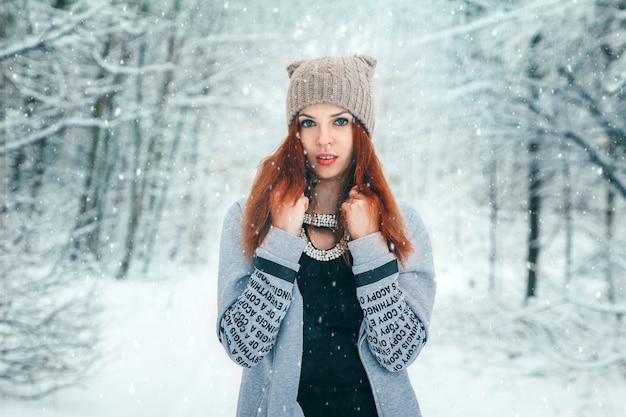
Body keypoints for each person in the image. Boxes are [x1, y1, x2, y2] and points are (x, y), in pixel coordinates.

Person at [216, 55, 436, 417]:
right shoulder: (249, 219)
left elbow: (399, 352)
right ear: (295, 131)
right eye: (309, 122)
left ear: (360, 130)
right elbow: (243, 347)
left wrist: (369, 248)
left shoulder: (401, 224)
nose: (324, 139)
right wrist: (281, 243)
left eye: (340, 121)